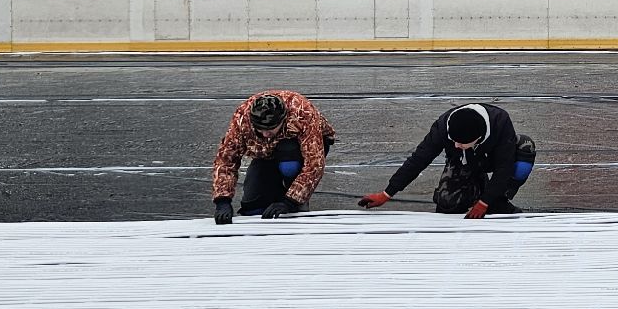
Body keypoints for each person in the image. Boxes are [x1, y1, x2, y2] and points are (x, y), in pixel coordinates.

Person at [358, 103, 535, 219]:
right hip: (464, 163)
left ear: (479, 137)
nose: (456, 145)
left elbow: (503, 168)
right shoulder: (444, 126)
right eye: (454, 140)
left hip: (492, 159)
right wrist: (387, 193)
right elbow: (419, 160)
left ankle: (498, 200)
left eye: (462, 142)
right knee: (448, 203)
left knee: (524, 151)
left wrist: (484, 203)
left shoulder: (500, 122)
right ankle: (479, 194)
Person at [211, 90, 335, 224]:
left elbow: (314, 164)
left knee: (289, 165)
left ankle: (297, 201)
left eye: (270, 129)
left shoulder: (302, 113)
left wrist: (290, 201)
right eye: (260, 129)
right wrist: (222, 200)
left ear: (283, 120)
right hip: (265, 153)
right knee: (253, 204)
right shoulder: (241, 119)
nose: (265, 134)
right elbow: (226, 159)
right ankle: (274, 195)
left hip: (297, 149)